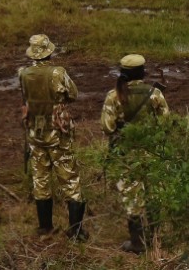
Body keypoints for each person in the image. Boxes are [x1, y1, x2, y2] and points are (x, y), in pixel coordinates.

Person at [100, 54, 170, 254]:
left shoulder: (114, 96)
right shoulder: (154, 93)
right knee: (154, 194)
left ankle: (138, 243)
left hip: (126, 155)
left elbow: (107, 127)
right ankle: (155, 238)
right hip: (152, 151)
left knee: (132, 198)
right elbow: (166, 123)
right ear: (143, 72)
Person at [18, 34, 86, 240]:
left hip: (35, 130)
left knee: (40, 178)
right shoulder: (58, 72)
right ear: (48, 52)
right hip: (57, 130)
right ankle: (75, 231)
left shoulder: (24, 73)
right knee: (69, 178)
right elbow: (73, 94)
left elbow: (25, 99)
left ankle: (45, 227)